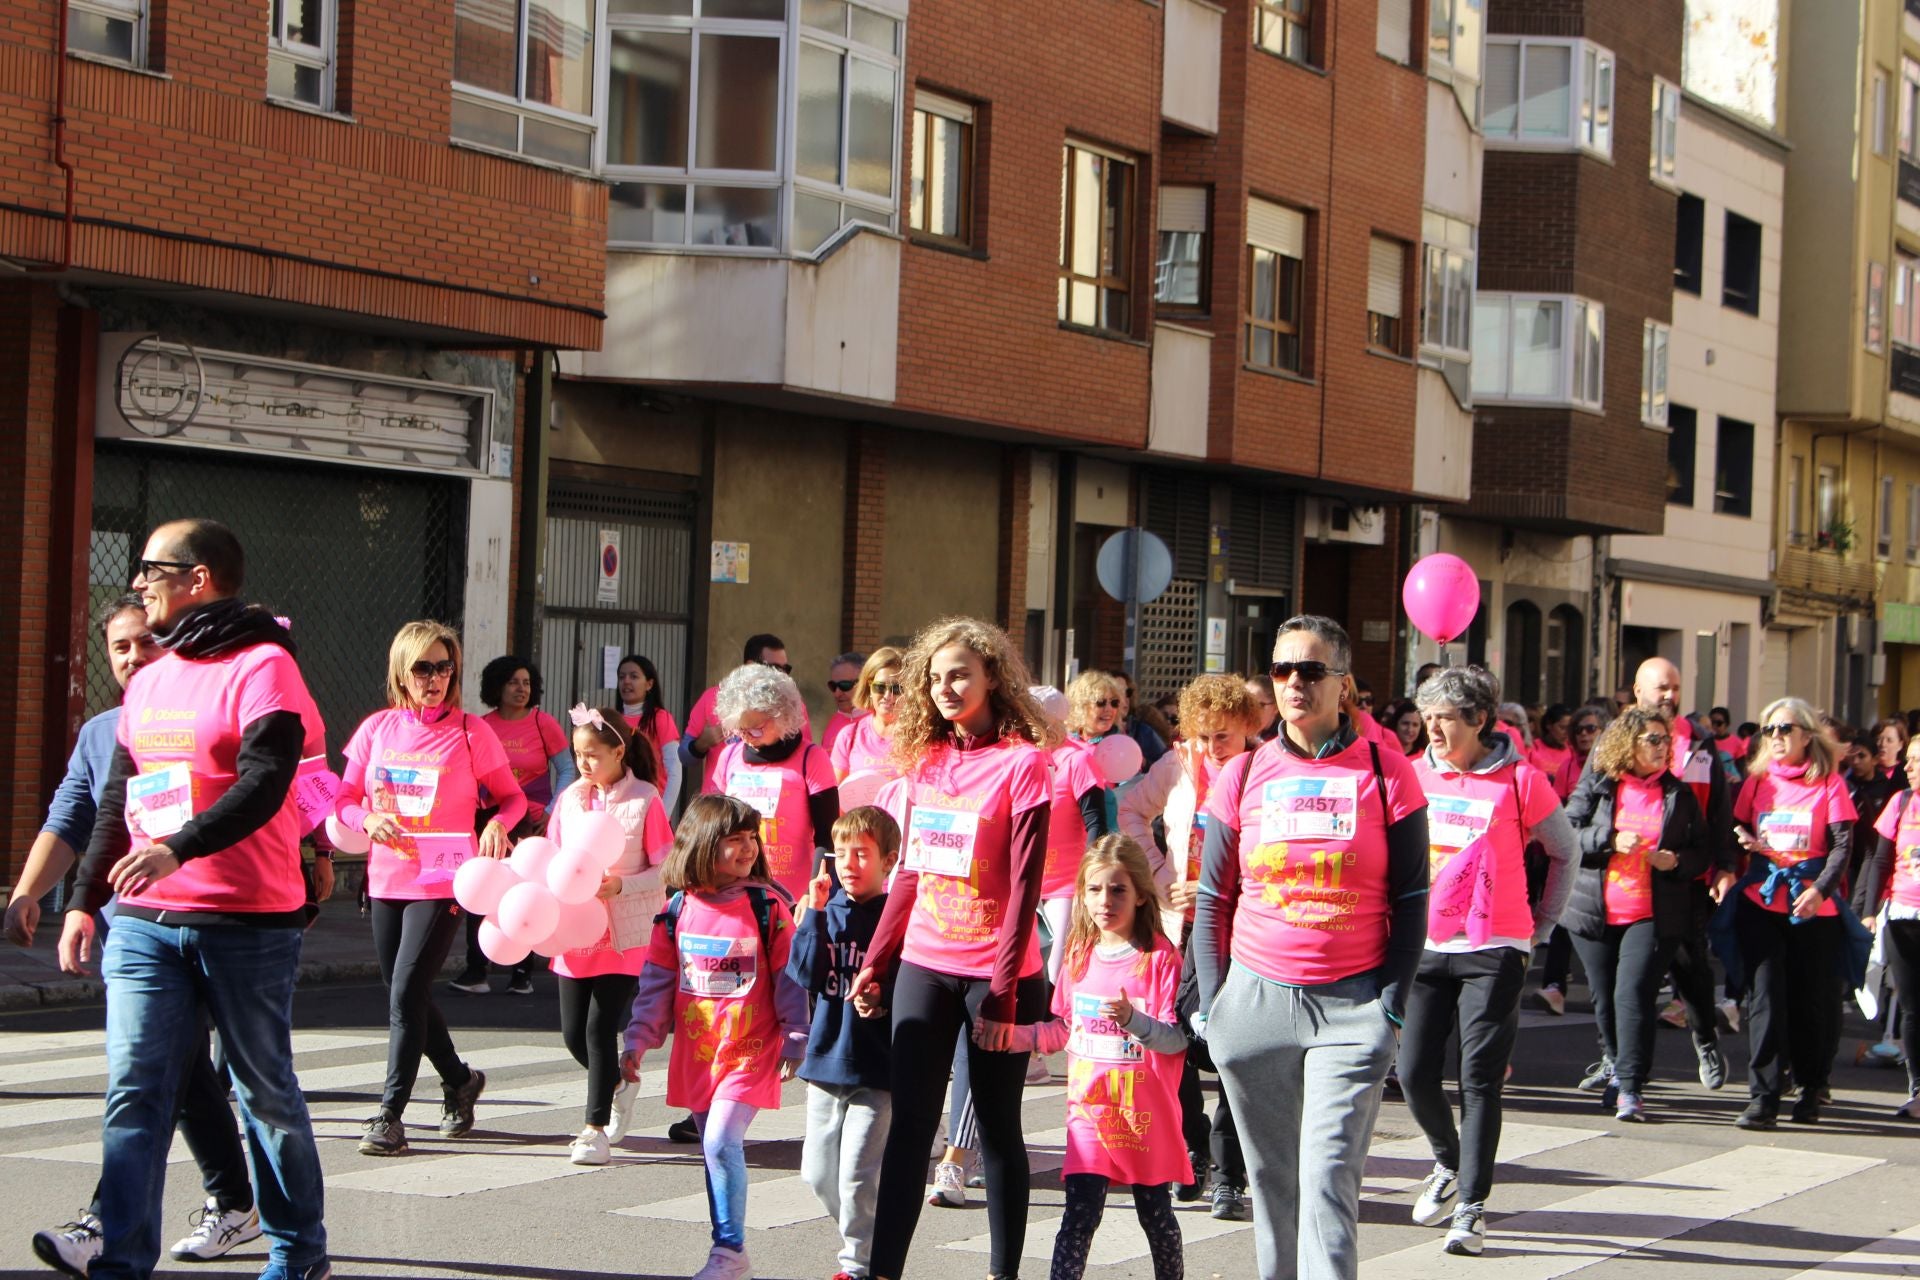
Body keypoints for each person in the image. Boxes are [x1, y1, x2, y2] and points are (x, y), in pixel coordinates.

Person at [57, 519, 330, 1280]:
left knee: (263, 1093)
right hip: (145, 923)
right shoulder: (150, 675)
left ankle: (298, 1250)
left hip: (246, 919)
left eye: (152, 569)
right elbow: (120, 796)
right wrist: (83, 901)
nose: (138, 581)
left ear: (198, 578)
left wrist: (181, 846)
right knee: (134, 1091)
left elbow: (266, 779)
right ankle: (120, 1262)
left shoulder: (264, 667)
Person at [20, 596, 264, 1275]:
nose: (133, 657)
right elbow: (73, 818)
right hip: (132, 930)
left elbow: (260, 795)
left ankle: (104, 1224)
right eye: (120, 647)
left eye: (144, 644)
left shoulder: (214, 717)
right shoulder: (102, 732)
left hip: (209, 922)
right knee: (174, 1071)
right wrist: (31, 896)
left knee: (152, 1074)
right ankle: (237, 1203)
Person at [1192, 614, 1429, 1280]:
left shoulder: (1388, 773)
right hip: (1255, 1003)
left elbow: (1412, 899)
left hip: (1352, 1004)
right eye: (1282, 669)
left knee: (1327, 1181)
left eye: (1311, 670)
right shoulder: (1242, 775)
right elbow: (1213, 899)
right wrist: (1215, 1009)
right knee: (1273, 1186)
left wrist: (1391, 1003)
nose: (1294, 682)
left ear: (1344, 684)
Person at [847, 616, 1056, 1280]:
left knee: (996, 1130)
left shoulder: (1023, 763)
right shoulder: (926, 762)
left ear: (993, 675)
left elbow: (1025, 888)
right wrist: (877, 962)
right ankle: (883, 1273)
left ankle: (1003, 1274)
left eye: (959, 673)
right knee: (909, 1128)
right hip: (926, 967)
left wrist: (999, 997)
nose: (945, 687)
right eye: (934, 678)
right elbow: (908, 871)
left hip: (1000, 977)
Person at [1402, 667, 1575, 1255]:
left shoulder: (1521, 780)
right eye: (1427, 717)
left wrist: (1542, 925)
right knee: (1413, 1073)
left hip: (1495, 948)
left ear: (1478, 720)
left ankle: (1472, 1209)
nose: (1432, 728)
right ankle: (1448, 1163)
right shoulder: (1415, 773)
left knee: (1477, 1078)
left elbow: (1564, 851)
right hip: (1426, 947)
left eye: (1445, 717)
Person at [336, 620, 524, 1156]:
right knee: (407, 993)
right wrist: (366, 819)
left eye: (445, 668)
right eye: (424, 668)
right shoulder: (376, 730)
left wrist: (497, 823)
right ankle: (460, 1080)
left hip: (444, 878)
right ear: (402, 671)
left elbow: (511, 798)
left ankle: (390, 1115)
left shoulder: (471, 731)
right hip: (386, 877)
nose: (435, 678)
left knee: (404, 993)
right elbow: (343, 798)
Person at [979, 834, 1187, 1280]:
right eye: (1094, 889)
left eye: (1117, 890)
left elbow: (1176, 1040)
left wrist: (1135, 1021)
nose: (1104, 901)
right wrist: (1011, 1038)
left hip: (1144, 1116)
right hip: (1090, 1113)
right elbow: (1062, 1030)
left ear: (1140, 894)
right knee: (1078, 1215)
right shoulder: (1077, 953)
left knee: (1157, 1217)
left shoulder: (1159, 958)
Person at [621, 795, 809, 1280]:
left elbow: (790, 975)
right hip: (699, 1053)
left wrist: (796, 1033)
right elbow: (657, 979)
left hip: (751, 1049)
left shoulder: (766, 904)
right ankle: (729, 1252)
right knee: (712, 1150)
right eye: (734, 839)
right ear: (704, 845)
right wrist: (638, 1039)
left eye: (752, 838)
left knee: (723, 1141)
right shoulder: (678, 908)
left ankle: (728, 1249)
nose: (748, 848)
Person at [1117, 674, 1259, 1218]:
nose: (1208, 746)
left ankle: (1230, 1174)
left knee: (1230, 1051)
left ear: (1247, 726)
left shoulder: (1262, 771)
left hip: (1243, 926)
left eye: (1220, 735)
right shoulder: (1176, 765)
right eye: (1200, 735)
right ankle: (1192, 1150)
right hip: (1178, 924)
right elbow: (1131, 812)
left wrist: (1226, 887)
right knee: (1172, 1039)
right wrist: (1157, 873)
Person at [1562, 707, 1711, 1121]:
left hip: (1651, 914)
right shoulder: (1599, 785)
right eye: (1653, 740)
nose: (1663, 748)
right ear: (1628, 744)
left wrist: (1676, 861)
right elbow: (1565, 831)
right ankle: (1615, 1064)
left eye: (1667, 740)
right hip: (1594, 909)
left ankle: (1630, 1086)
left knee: (1633, 996)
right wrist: (1609, 839)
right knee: (1604, 1000)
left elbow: (1702, 851)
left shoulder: (1678, 795)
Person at [547, 706, 671, 1165]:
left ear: (619, 751)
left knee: (601, 1029)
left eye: (593, 755)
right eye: (578, 754)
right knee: (572, 1035)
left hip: (624, 934)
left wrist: (623, 885)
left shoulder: (645, 799)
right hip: (575, 929)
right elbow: (555, 858)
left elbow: (665, 869)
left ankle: (593, 1129)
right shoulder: (570, 799)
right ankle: (618, 1082)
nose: (584, 764)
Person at [1730, 697, 1858, 1128]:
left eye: (1785, 729)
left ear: (1807, 735)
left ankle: (1809, 1087)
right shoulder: (1757, 780)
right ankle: (1763, 1098)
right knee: (1765, 999)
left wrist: (1821, 891)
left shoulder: (1829, 784)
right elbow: (1736, 828)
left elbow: (1843, 846)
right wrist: (1740, 848)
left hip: (1812, 909)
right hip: (1762, 903)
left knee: (1810, 1003)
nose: (1777, 737)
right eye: (1770, 730)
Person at [790, 806, 901, 1280]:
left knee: (858, 1177)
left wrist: (883, 995)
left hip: (877, 1068)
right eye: (841, 854)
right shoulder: (825, 910)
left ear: (889, 860)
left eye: (863, 854)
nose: (850, 864)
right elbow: (804, 975)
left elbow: (909, 984)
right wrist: (813, 914)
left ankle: (857, 1265)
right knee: (817, 1175)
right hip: (825, 1063)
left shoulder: (896, 916)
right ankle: (872, 1243)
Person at [1620, 659, 1738, 1091]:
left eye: (1675, 688)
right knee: (1627, 978)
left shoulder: (1702, 744)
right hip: (1625, 879)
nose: (1669, 696)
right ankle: (1619, 1063)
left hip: (1684, 873)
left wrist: (1724, 865)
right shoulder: (1616, 740)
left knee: (1690, 965)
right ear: (1637, 691)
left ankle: (1705, 1037)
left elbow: (1721, 809)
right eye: (1661, 688)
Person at [453, 655, 575, 995]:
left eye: (526, 683)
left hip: (533, 823)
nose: (521, 689)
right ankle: (476, 969)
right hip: (489, 820)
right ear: (497, 686)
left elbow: (567, 770)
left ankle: (522, 972)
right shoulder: (481, 725)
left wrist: (552, 810)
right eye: (513, 682)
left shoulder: (543, 723)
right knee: (480, 889)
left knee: (523, 890)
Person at [712, 662, 840, 905]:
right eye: (741, 729)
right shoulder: (729, 757)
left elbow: (827, 835)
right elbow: (714, 827)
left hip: (794, 895)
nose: (748, 736)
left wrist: (810, 894)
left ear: (783, 716)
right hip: (736, 890)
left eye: (757, 729)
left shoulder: (811, 758)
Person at [1858, 736, 1920, 1118]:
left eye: (1916, 761)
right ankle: (1917, 1089)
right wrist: (1868, 910)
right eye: (1908, 760)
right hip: (1902, 916)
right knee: (1913, 1008)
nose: (1907, 767)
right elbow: (1879, 861)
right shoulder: (1901, 802)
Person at [686, 634, 805, 796]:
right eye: (775, 668)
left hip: (775, 803)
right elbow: (684, 757)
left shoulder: (791, 704)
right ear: (750, 666)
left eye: (785, 669)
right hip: (722, 804)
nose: (782, 675)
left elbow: (804, 753)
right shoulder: (714, 698)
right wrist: (701, 744)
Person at [618, 654, 683, 813]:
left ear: (649, 684)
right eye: (622, 677)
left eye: (634, 676)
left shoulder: (661, 718)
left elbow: (674, 771)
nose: (626, 681)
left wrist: (663, 813)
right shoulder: (612, 720)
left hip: (651, 808)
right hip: (618, 809)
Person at [830, 647, 906, 784]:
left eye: (897, 688)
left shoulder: (920, 738)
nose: (888, 696)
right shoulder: (849, 736)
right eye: (880, 687)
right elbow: (836, 794)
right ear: (869, 688)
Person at [1113, 669, 1171, 769]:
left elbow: (1168, 767)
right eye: (1118, 692)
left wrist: (1144, 763)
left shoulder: (1143, 731)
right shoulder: (1093, 733)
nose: (1125, 699)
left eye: (1127, 692)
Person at [822, 652, 867, 756]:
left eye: (844, 685)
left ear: (863, 683)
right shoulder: (833, 722)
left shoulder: (879, 723)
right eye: (833, 686)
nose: (837, 693)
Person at [1530, 704, 1575, 792]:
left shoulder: (1572, 752)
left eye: (1569, 728)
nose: (1566, 733)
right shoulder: (1533, 747)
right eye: (1562, 727)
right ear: (1549, 725)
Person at [1876, 717, 1912, 783]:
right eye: (1878, 739)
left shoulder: (1906, 772)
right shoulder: (1866, 771)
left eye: (1889, 740)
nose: (1882, 744)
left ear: (1900, 745)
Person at [1245, 674, 1279, 743]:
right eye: (1245, 704)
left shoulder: (1284, 739)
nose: (1250, 710)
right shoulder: (1237, 736)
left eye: (1258, 705)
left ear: (1275, 708)